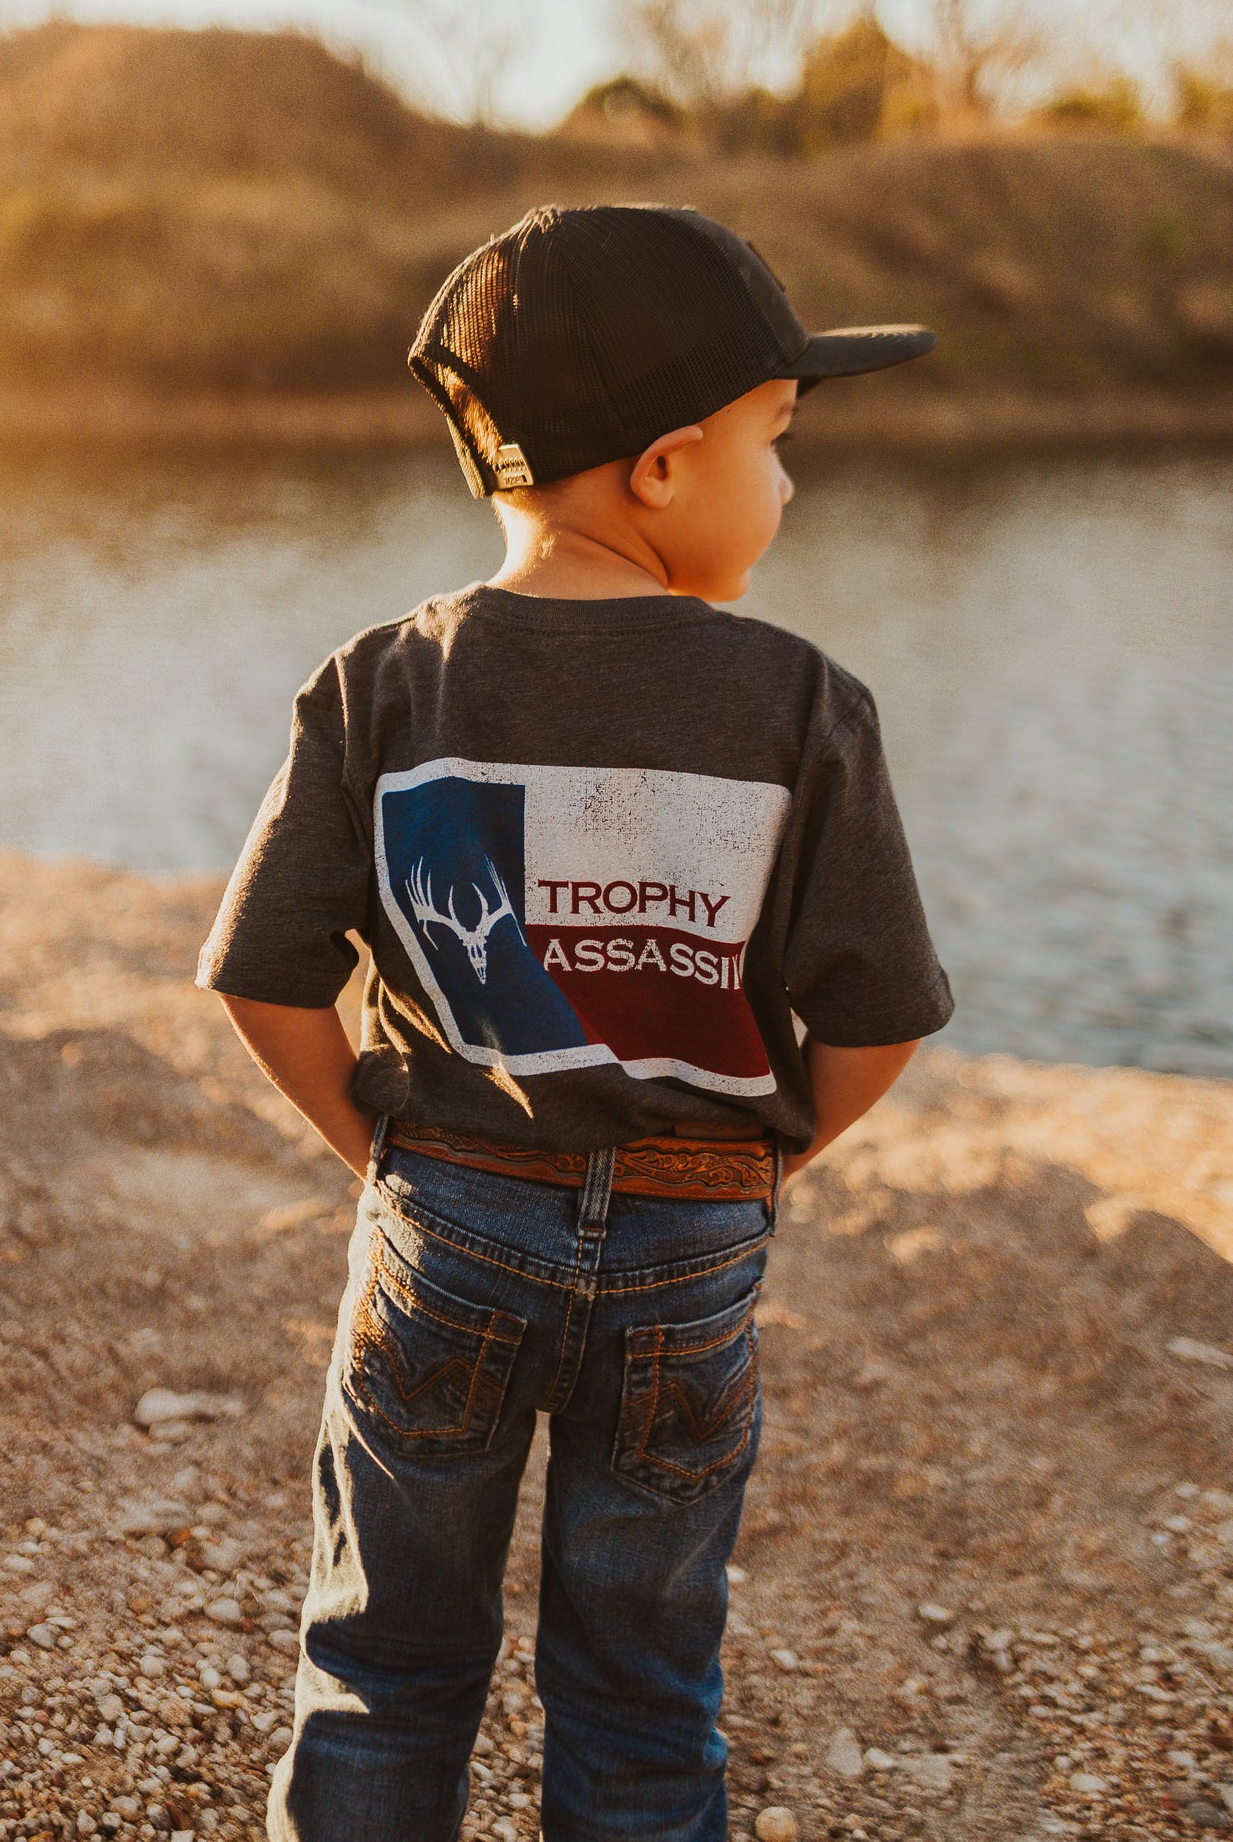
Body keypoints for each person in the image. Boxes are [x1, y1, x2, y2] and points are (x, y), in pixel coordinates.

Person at [197, 204, 954, 1842]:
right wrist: (770, 1160)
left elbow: (263, 974)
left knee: (384, 1666)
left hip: (445, 1215)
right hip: (690, 1237)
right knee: (639, 1687)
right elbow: (880, 1013)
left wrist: (377, 1152)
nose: (792, 483)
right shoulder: (799, 701)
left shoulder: (381, 681)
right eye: (779, 440)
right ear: (667, 467)